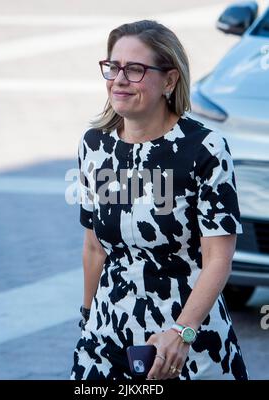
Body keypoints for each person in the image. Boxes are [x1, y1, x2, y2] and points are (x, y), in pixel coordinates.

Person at [70, 20, 249, 380]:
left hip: (188, 344)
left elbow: (218, 258)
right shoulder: (94, 147)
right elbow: (94, 248)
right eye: (113, 66)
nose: (119, 79)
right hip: (107, 340)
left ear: (169, 80)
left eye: (135, 70)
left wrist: (181, 333)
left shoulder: (204, 149)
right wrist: (88, 320)